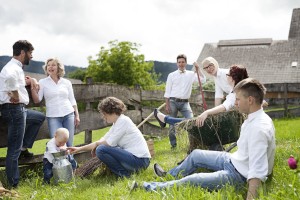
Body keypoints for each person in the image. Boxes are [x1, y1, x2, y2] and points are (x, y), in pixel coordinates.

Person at [141, 78, 276, 200]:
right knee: (196, 155)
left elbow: (257, 171)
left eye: (238, 99)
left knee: (194, 179)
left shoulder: (259, 128)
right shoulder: (253, 117)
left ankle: (150, 187)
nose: (235, 103)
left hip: (239, 175)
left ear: (250, 100)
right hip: (233, 159)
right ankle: (168, 176)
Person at [67, 97, 151, 177]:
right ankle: (124, 173)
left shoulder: (123, 121)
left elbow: (108, 143)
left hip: (140, 161)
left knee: (101, 149)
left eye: (104, 113)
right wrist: (78, 149)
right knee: (101, 148)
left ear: (112, 111)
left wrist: (97, 144)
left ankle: (124, 175)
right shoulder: (116, 124)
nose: (103, 117)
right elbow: (102, 140)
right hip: (134, 160)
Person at [0, 40, 45, 187]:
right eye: (30, 53)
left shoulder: (16, 67)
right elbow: (10, 78)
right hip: (14, 110)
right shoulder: (12, 68)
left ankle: (24, 148)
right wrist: (16, 96)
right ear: (23, 52)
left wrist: (31, 80)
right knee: (13, 149)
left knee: (39, 117)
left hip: (19, 110)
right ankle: (13, 184)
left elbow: (17, 81)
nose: (31, 56)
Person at [154, 65, 248, 127]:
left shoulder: (236, 93)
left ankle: (165, 119)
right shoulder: (235, 91)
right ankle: (165, 119)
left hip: (231, 123)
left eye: (228, 74)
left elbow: (224, 106)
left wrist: (206, 112)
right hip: (231, 121)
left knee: (195, 122)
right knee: (195, 120)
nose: (226, 76)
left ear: (233, 78)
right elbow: (222, 102)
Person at [31, 58, 80, 147]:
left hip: (69, 114)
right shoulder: (42, 82)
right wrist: (32, 85)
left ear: (58, 67)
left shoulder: (66, 82)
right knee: (57, 144)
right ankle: (60, 161)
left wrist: (77, 115)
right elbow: (37, 100)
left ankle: (70, 161)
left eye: (53, 65)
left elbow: (72, 100)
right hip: (53, 117)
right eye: (48, 65)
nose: (50, 67)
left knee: (69, 144)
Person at [164, 54, 206, 148]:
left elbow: (203, 80)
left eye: (183, 62)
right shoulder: (171, 75)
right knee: (171, 124)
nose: (181, 64)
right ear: (177, 63)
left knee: (191, 122)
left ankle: (193, 145)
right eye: (179, 62)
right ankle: (173, 145)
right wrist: (167, 105)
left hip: (185, 103)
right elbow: (167, 91)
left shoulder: (191, 74)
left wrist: (198, 69)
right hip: (173, 102)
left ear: (186, 63)